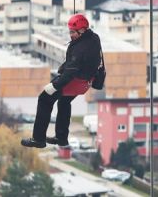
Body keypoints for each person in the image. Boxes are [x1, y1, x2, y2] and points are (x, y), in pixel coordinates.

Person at [21, 14, 102, 148]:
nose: (70, 35)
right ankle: (61, 137)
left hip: (74, 81)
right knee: (64, 102)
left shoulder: (79, 49)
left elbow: (71, 71)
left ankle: (38, 139)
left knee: (44, 99)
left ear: (82, 31)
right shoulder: (94, 38)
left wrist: (54, 85)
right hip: (85, 82)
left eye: (72, 32)